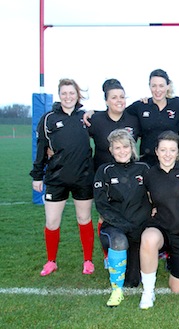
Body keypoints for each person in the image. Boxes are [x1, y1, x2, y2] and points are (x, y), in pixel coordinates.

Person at [30, 78, 95, 276]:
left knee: (84, 218)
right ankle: (51, 261)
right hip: (56, 178)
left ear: (77, 95)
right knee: (51, 222)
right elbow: (41, 148)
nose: (68, 97)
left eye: (71, 93)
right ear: (59, 95)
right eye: (64, 93)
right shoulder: (48, 119)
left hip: (83, 177)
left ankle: (88, 261)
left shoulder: (86, 117)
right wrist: (37, 176)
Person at [139, 131, 179, 309]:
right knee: (148, 239)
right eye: (163, 150)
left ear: (177, 152)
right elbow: (148, 198)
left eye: (172, 150)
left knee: (178, 288)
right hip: (160, 227)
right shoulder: (149, 174)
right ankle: (148, 292)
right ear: (156, 151)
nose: (167, 154)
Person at [93, 129, 151, 307]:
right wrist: (123, 225)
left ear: (132, 147)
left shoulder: (144, 168)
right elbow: (101, 205)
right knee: (118, 241)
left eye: (125, 146)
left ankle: (124, 261)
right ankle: (116, 291)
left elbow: (154, 197)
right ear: (111, 150)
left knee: (132, 281)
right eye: (117, 147)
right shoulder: (104, 171)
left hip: (138, 227)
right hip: (115, 227)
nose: (122, 151)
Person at [88, 79, 141, 272]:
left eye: (122, 97)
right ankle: (107, 256)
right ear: (106, 101)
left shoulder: (133, 118)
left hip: (129, 173)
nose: (119, 100)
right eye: (114, 97)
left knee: (132, 209)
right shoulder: (95, 120)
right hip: (104, 175)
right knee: (106, 216)